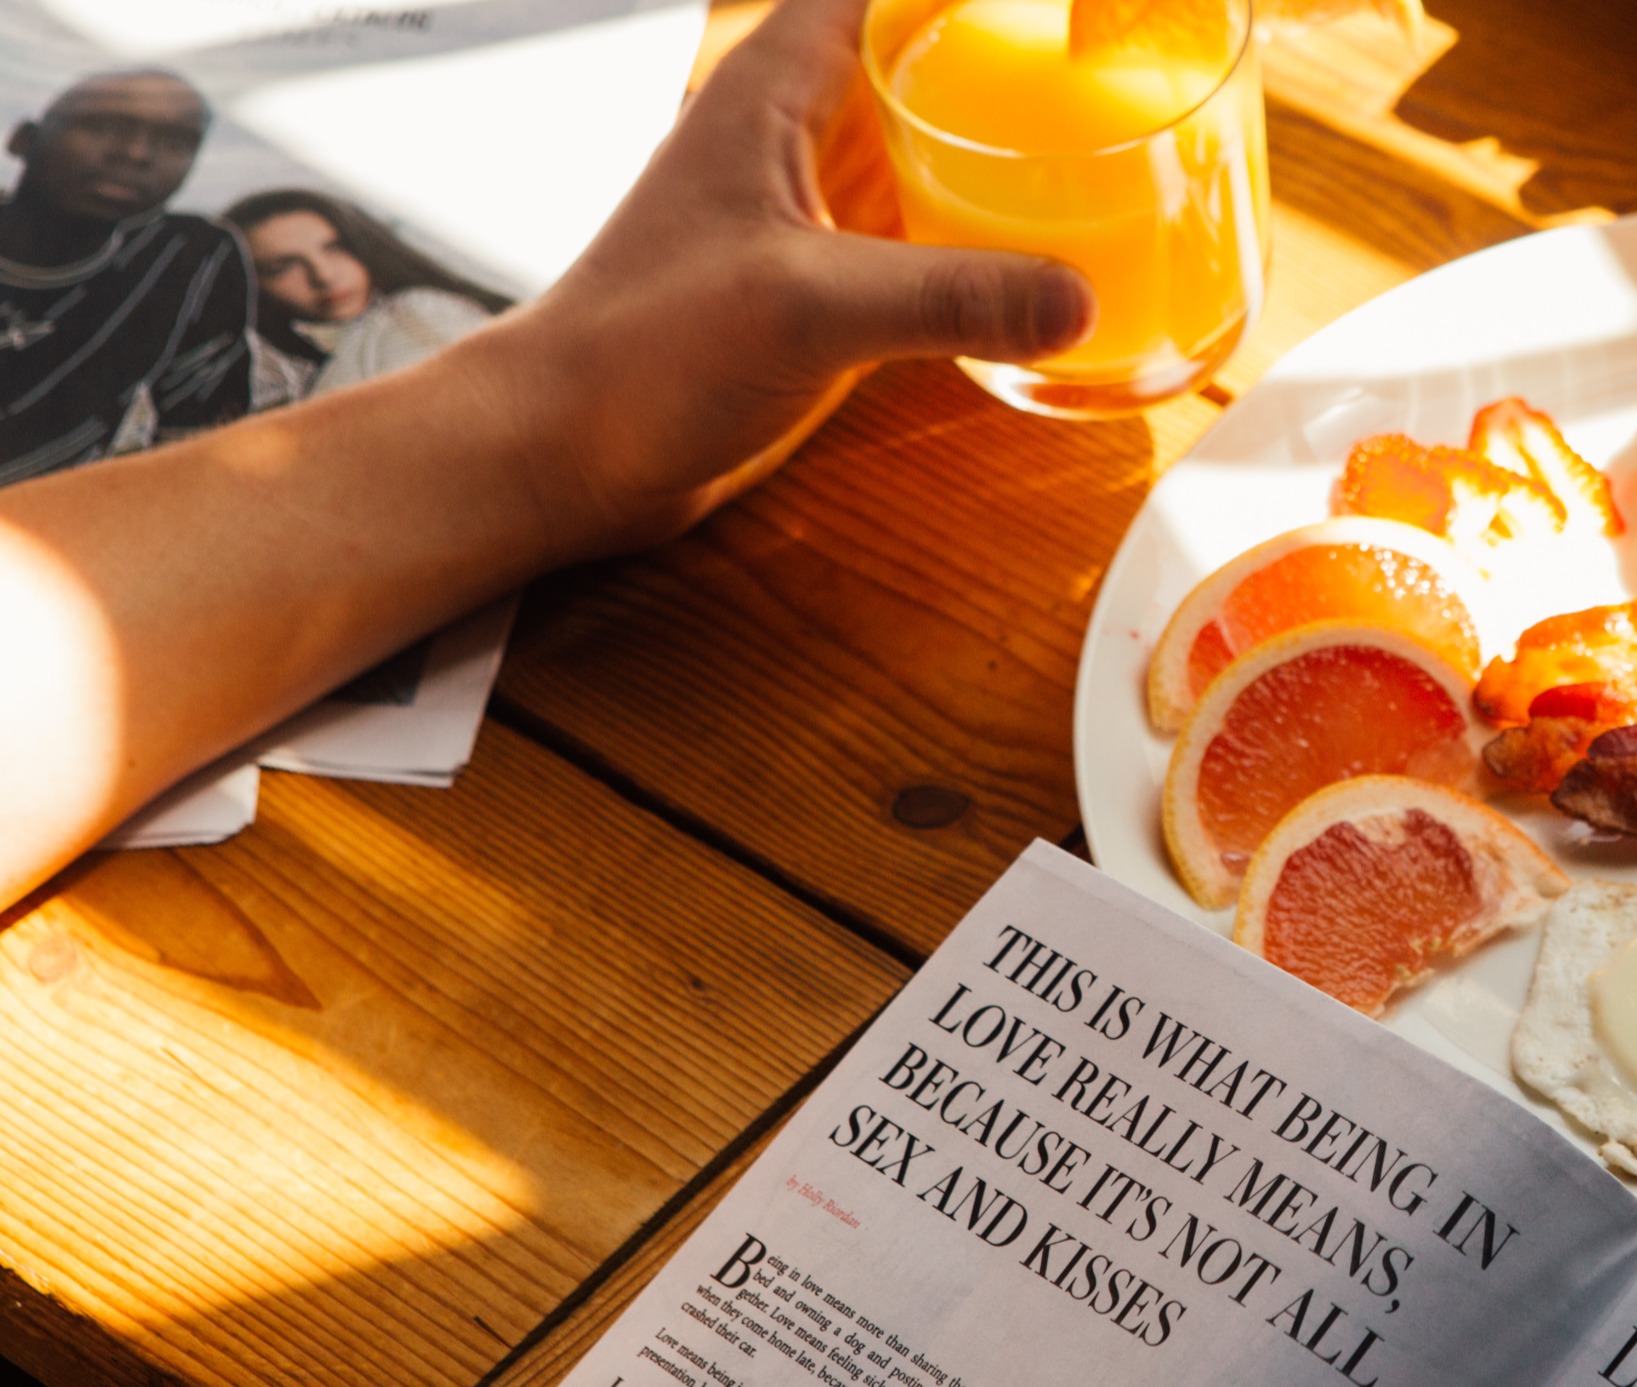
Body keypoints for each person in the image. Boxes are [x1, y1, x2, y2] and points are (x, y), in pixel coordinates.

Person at [0, 0, 1095, 909]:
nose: (138, 157)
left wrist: (565, 424)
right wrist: (556, 428)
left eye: (166, 142)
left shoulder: (189, 263)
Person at [0, 68, 254, 484]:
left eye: (175, 142)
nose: (137, 154)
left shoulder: (185, 257)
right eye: (102, 126)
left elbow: (201, 446)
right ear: (23, 140)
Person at [226, 189, 515, 406]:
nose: (324, 275)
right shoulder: (268, 370)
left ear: (363, 244)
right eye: (283, 267)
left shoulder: (418, 314)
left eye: (335, 248)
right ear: (251, 284)